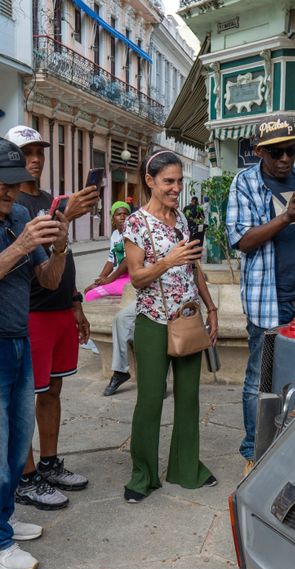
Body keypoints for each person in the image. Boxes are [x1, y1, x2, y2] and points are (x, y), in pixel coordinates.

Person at [0, 135, 75, 569]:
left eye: (16, 184)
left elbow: (47, 282)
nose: (11, 193)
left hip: (18, 340)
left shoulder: (17, 215)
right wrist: (19, 246)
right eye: (2, 182)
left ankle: (5, 516)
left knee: (16, 445)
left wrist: (61, 247)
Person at [226, 117, 295, 474]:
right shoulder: (245, 183)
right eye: (276, 152)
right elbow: (242, 240)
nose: (285, 159)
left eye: (291, 150)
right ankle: (253, 452)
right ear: (259, 152)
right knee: (260, 378)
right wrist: (286, 216)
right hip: (270, 301)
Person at [0, 125, 99, 513]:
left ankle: (49, 463)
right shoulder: (13, 204)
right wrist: (65, 217)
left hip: (59, 309)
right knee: (26, 396)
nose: (36, 159)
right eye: (27, 153)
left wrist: (76, 303)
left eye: (39, 151)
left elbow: (64, 255)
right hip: (31, 311)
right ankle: (25, 477)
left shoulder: (47, 199)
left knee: (53, 391)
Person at [122, 149, 219, 503]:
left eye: (179, 181)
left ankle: (185, 467)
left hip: (188, 319)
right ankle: (142, 475)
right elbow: (136, 278)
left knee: (189, 397)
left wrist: (211, 307)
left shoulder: (182, 219)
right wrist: (167, 260)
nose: (176, 188)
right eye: (168, 181)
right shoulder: (136, 224)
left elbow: (194, 269)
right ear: (150, 181)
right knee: (149, 400)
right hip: (153, 322)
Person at [85, 201, 132, 301]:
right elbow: (111, 260)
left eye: (126, 214)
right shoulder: (115, 235)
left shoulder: (131, 233)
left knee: (91, 295)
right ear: (113, 219)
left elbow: (127, 261)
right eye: (119, 214)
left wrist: (109, 279)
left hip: (130, 278)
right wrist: (99, 279)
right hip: (120, 277)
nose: (122, 217)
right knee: (89, 289)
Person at [103, 301, 138, 396]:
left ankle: (159, 379)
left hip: (176, 296)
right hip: (149, 295)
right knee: (121, 319)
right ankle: (120, 371)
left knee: (160, 324)